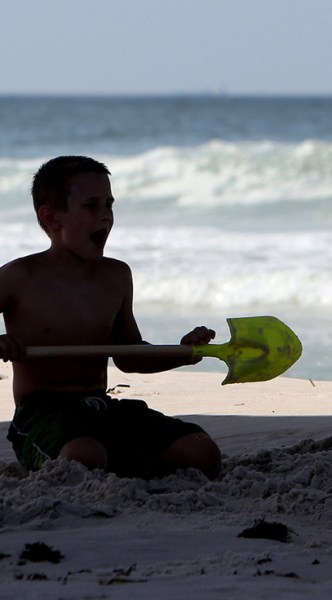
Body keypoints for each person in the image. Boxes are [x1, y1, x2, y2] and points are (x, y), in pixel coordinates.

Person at [0, 156, 222, 479]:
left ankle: (118, 460)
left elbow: (129, 355)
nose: (105, 215)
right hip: (41, 415)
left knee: (203, 452)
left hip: (100, 408)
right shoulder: (19, 278)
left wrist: (183, 353)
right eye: (91, 205)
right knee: (83, 458)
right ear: (51, 218)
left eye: (109, 204)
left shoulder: (116, 277)